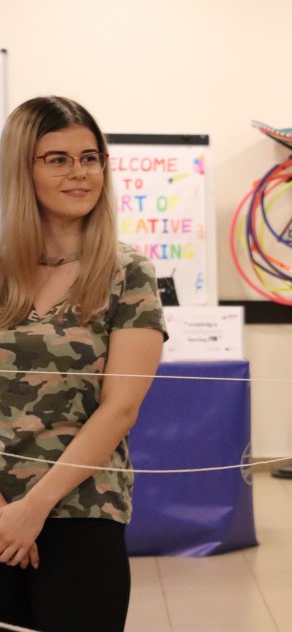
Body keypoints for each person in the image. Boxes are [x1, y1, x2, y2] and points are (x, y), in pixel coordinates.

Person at [0, 96, 166, 631]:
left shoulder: (128, 273)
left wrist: (32, 509)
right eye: (58, 159)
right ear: (21, 168)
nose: (80, 172)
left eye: (90, 158)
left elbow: (120, 409)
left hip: (81, 509)